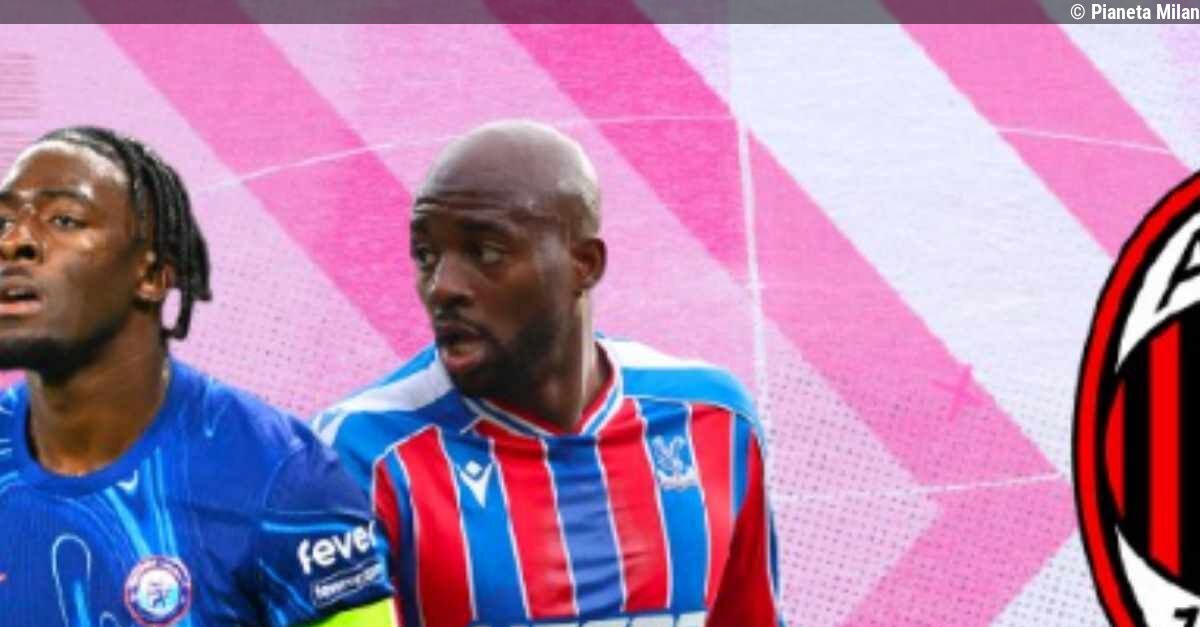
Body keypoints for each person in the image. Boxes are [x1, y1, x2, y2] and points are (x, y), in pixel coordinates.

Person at [315, 120, 783, 626]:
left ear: (584, 264)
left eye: (486, 252)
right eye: (426, 256)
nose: (442, 286)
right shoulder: (357, 457)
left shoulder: (713, 423)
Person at [0, 126, 393, 626]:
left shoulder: (282, 478)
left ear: (152, 275)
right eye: (3, 221)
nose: (13, 241)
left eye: (64, 219)